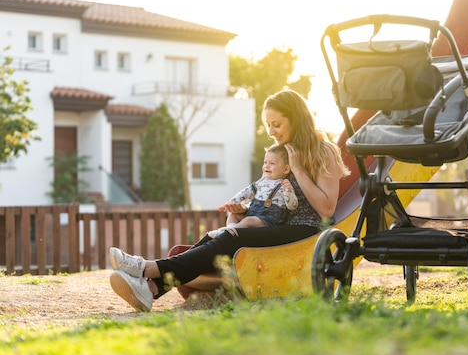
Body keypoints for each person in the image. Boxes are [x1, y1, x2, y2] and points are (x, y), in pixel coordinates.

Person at [109, 89, 351, 311]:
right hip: (276, 227)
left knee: (231, 236)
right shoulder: (280, 153)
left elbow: (326, 208)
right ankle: (152, 288)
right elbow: (268, 201)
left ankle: (148, 269)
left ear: (296, 119)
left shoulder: (324, 151)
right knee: (219, 235)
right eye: (268, 125)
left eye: (276, 124)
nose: (271, 132)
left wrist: (297, 169)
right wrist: (243, 210)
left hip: (306, 233)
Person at [207, 143, 298, 237]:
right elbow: (246, 191)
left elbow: (292, 206)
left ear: (286, 169)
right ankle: (231, 231)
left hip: (268, 221)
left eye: (272, 163)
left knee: (248, 220)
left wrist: (288, 191)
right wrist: (233, 202)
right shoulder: (261, 182)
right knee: (233, 215)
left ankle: (226, 233)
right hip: (253, 214)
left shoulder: (284, 184)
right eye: (265, 162)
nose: (266, 166)